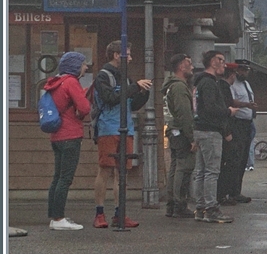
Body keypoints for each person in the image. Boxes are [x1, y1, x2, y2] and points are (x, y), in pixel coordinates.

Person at [91, 40, 151, 229]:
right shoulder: (102, 77)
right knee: (105, 170)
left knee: (122, 173)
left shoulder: (125, 78)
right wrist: (134, 88)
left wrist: (143, 93)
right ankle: (99, 213)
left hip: (126, 128)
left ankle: (120, 213)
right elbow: (110, 98)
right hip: (108, 128)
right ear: (117, 55)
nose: (131, 58)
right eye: (128, 54)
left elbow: (131, 104)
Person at [44, 52, 91, 230]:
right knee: (65, 179)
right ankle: (58, 219)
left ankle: (54, 216)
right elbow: (85, 107)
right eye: (83, 64)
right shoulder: (71, 82)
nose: (86, 67)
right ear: (75, 66)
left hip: (56, 135)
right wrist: (83, 95)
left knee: (57, 178)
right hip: (70, 135)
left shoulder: (55, 82)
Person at [190, 50, 234, 223]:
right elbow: (210, 108)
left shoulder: (199, 83)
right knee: (212, 171)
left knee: (200, 171)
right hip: (210, 131)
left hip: (199, 129)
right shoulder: (209, 84)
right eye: (221, 60)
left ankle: (200, 208)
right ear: (212, 62)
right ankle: (211, 208)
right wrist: (228, 111)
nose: (224, 64)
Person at [162, 53, 197, 218]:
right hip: (181, 132)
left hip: (173, 130)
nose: (192, 67)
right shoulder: (179, 87)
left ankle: (171, 204)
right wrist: (192, 138)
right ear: (181, 66)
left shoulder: (170, 85)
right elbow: (185, 114)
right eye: (189, 63)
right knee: (184, 168)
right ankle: (179, 204)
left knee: (175, 168)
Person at [219, 62, 255, 206]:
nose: (245, 73)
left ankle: (236, 190)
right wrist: (246, 105)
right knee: (235, 158)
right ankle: (228, 191)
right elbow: (230, 102)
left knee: (243, 159)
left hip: (247, 124)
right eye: (243, 70)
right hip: (237, 123)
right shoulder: (230, 86)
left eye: (247, 70)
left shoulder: (246, 84)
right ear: (235, 71)